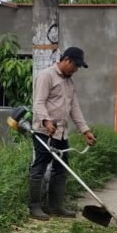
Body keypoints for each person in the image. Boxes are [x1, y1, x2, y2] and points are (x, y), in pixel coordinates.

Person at [29, 47, 97, 221]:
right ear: (66, 60)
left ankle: (55, 207)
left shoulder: (69, 82)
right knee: (39, 168)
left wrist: (85, 130)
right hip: (44, 132)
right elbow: (38, 103)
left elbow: (74, 108)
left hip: (61, 133)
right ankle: (34, 207)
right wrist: (46, 121)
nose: (76, 70)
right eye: (75, 66)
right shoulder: (47, 76)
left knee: (61, 169)